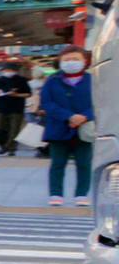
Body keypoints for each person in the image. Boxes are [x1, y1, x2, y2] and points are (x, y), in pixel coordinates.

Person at [40, 49, 94, 206]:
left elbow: (101, 101)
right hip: (58, 127)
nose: (71, 62)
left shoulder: (93, 79)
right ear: (61, 61)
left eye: (75, 58)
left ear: (85, 61)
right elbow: (47, 103)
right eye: (67, 59)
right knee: (57, 163)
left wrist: (85, 116)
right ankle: (56, 194)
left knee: (84, 163)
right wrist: (69, 116)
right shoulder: (52, 80)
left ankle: (81, 194)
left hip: (84, 128)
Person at [0, 68, 32, 154]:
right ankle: (4, 145)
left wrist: (16, 94)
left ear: (15, 70)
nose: (7, 72)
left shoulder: (21, 80)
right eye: (5, 70)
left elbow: (28, 94)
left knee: (14, 130)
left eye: (9, 70)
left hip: (16, 108)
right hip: (0, 108)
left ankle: (9, 148)